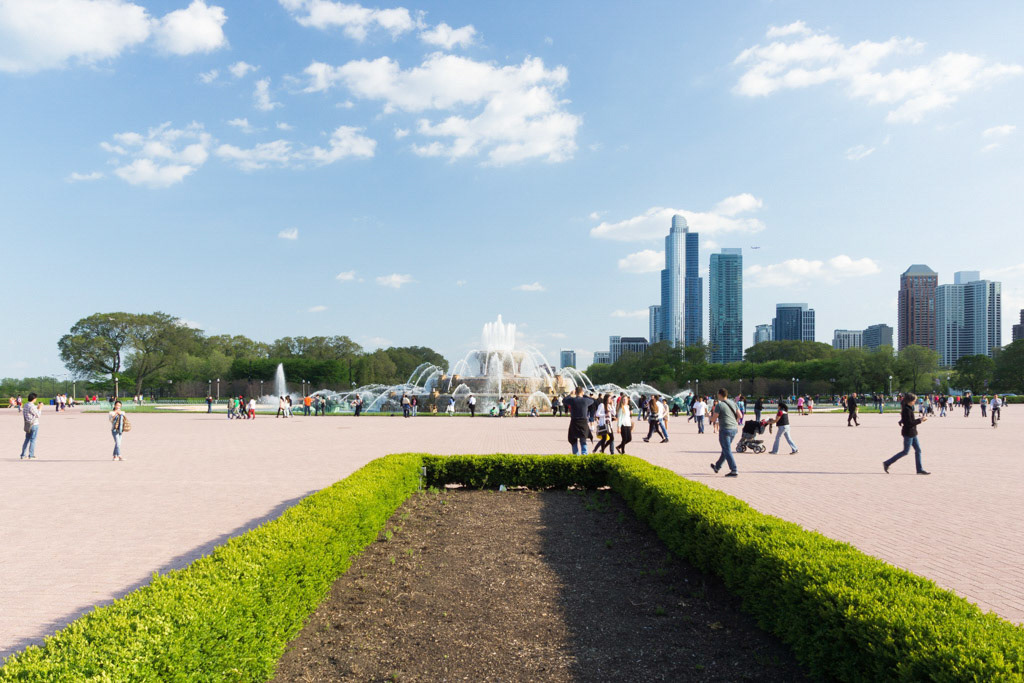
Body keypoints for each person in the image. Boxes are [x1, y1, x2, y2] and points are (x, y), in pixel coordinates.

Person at [884, 393, 930, 475]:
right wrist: (920, 420)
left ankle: (919, 469)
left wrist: (903, 420)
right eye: (914, 400)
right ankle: (887, 463)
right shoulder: (906, 410)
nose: (915, 402)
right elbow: (909, 423)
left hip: (913, 433)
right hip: (908, 433)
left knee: (918, 450)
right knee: (905, 451)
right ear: (910, 401)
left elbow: (907, 420)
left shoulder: (909, 408)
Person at [708, 388, 741, 477]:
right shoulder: (733, 403)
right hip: (734, 429)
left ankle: (734, 470)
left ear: (720, 394)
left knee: (727, 450)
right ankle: (717, 467)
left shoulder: (719, 405)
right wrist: (734, 423)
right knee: (726, 449)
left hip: (725, 429)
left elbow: (713, 419)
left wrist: (708, 416)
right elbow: (740, 415)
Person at [565, 387, 594, 455]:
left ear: (575, 392)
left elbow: (564, 400)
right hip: (583, 422)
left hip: (574, 422)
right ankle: (584, 455)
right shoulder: (585, 400)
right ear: (582, 392)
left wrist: (570, 394)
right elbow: (592, 400)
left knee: (574, 440)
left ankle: (576, 455)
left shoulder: (572, 400)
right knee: (583, 440)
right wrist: (584, 395)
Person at [20, 393, 41, 459]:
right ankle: (31, 455)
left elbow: (30, 412)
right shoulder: (32, 406)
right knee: (33, 440)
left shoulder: (26, 405)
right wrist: (40, 408)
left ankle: (23, 455)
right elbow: (38, 415)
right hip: (34, 424)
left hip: (28, 424)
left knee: (27, 439)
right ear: (34, 399)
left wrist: (37, 407)